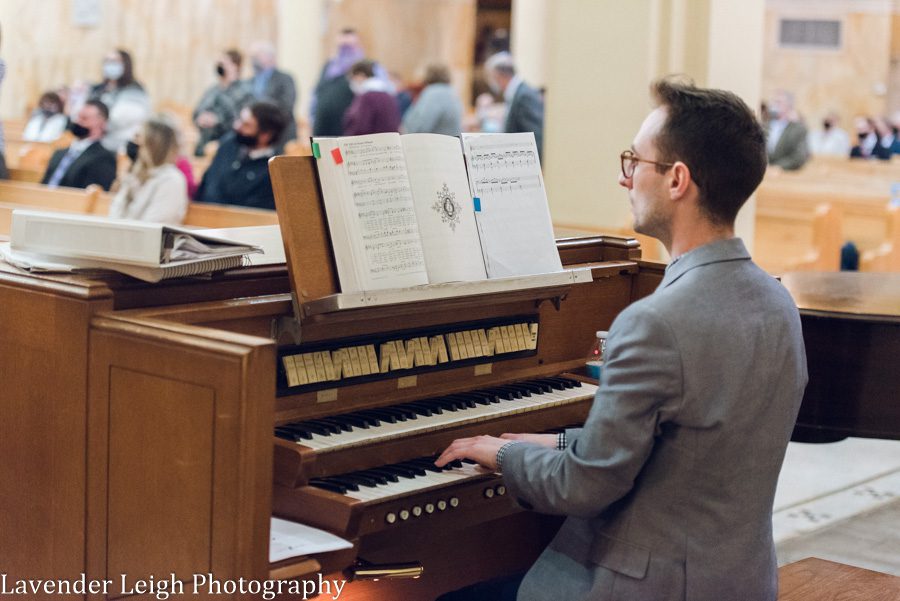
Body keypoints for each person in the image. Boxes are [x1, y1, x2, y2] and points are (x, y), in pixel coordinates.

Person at [436, 77, 808, 601]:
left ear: (678, 180)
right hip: (737, 580)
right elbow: (682, 449)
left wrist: (500, 455)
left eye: (635, 161)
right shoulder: (777, 303)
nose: (622, 177)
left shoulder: (656, 322)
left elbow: (582, 486)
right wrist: (549, 441)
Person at [194, 101, 287, 210]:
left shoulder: (274, 170)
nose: (237, 126)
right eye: (240, 120)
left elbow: (255, 212)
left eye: (246, 125)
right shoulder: (229, 143)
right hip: (200, 215)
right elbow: (208, 180)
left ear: (265, 135)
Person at [109, 116, 187, 224]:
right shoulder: (135, 174)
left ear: (153, 144)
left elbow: (154, 225)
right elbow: (114, 215)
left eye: (138, 137)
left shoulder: (172, 180)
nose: (133, 143)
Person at [41, 99, 116, 191]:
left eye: (84, 118)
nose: (78, 122)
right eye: (78, 117)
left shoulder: (104, 158)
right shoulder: (59, 153)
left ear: (101, 123)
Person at [192, 49, 254, 156]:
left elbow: (242, 119)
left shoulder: (245, 92)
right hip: (205, 138)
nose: (220, 66)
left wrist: (217, 120)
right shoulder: (213, 90)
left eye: (224, 63)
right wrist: (201, 117)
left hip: (230, 141)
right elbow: (197, 111)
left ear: (235, 66)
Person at [484, 51, 545, 160]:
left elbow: (536, 136)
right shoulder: (516, 93)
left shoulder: (524, 95)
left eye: (492, 77)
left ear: (499, 75)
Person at [88, 48, 151, 152]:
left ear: (126, 65)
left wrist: (95, 123)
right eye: (107, 61)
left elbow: (119, 119)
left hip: (119, 143)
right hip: (94, 140)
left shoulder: (135, 90)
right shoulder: (100, 89)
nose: (109, 65)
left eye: (114, 62)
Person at [247, 41, 297, 143]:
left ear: (270, 57)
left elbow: (286, 106)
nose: (253, 59)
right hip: (256, 137)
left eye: (257, 55)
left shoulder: (285, 79)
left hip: (281, 133)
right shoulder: (250, 81)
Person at [342, 59, 401, 136]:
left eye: (353, 77)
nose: (352, 82)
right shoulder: (387, 94)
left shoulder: (367, 97)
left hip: (371, 144)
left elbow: (361, 127)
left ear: (361, 75)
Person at [401, 64, 463, 136]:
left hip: (436, 143)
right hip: (450, 141)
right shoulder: (450, 91)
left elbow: (421, 127)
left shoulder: (434, 93)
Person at [766, 89, 809, 170]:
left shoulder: (798, 129)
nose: (774, 105)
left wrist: (778, 167)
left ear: (788, 105)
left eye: (778, 102)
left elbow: (799, 156)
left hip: (785, 174)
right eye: (774, 102)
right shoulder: (764, 125)